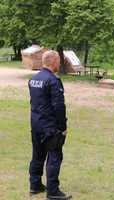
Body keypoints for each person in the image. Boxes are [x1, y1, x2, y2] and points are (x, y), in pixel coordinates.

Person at [28, 50, 72, 200]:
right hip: (50, 127)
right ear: (53, 61)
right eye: (59, 60)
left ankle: (35, 185)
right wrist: (62, 127)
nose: (60, 63)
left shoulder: (34, 79)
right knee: (54, 156)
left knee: (37, 155)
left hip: (36, 124)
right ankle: (53, 191)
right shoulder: (53, 80)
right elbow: (59, 106)